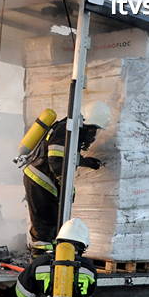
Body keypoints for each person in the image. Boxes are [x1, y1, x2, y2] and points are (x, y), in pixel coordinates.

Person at [22, 101, 110, 257]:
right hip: (39, 178)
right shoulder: (67, 129)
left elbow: (67, 156)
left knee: (54, 220)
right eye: (95, 130)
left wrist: (87, 162)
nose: (94, 135)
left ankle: (50, 256)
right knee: (44, 221)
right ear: (89, 125)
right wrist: (65, 184)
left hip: (45, 180)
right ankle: (39, 259)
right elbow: (56, 157)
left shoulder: (72, 130)